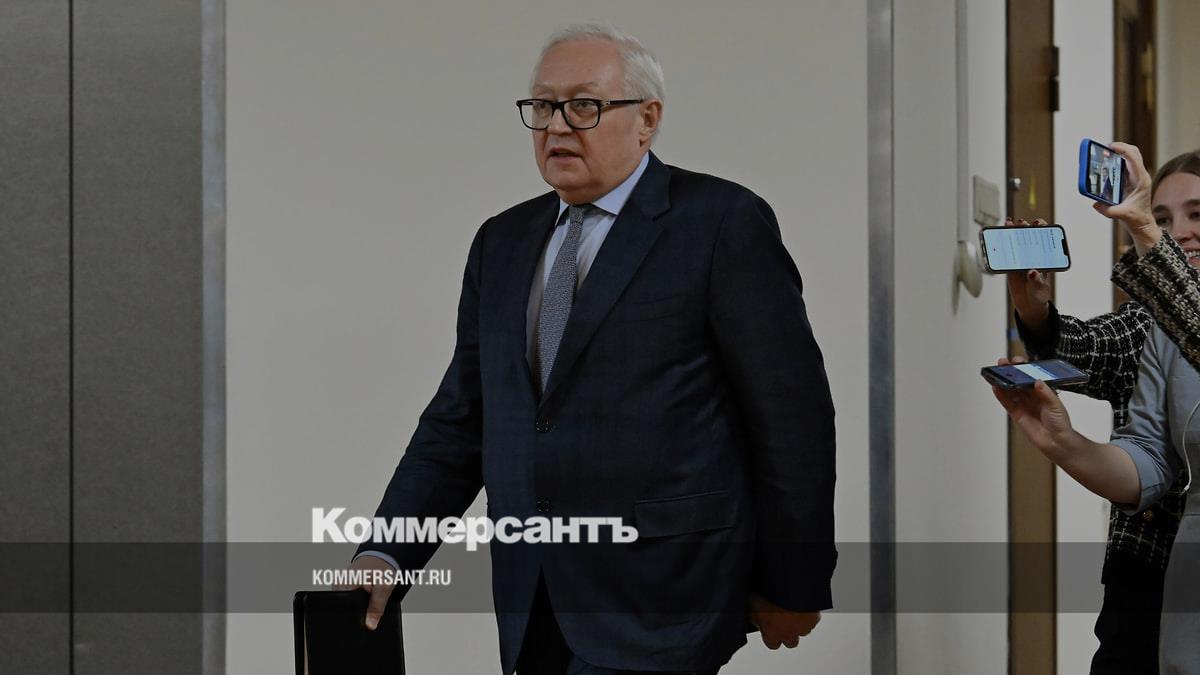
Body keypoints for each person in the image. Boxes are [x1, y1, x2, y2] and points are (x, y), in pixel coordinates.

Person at [339, 23, 837, 675]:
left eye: (583, 106)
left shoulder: (719, 222)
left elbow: (792, 418)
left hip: (665, 597)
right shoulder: (502, 243)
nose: (557, 126)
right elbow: (461, 421)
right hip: (533, 598)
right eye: (543, 106)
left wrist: (794, 579)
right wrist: (387, 552)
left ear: (647, 120)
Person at [997, 144, 1200, 674]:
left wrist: (1147, 233)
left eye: (1196, 215)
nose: (1179, 232)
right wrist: (1035, 312)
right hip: (1153, 567)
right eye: (1162, 218)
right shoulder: (1153, 324)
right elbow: (1092, 349)